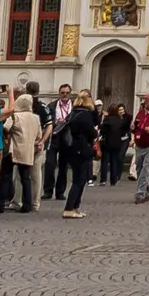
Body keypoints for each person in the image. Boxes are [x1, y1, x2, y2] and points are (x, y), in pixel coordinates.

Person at [58, 90, 100, 218]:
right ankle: (69, 208)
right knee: (79, 179)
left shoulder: (73, 113)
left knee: (80, 178)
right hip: (81, 149)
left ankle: (75, 207)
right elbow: (92, 131)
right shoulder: (85, 115)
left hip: (71, 149)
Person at [6, 93, 43, 213]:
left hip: (14, 149)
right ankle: (27, 204)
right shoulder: (36, 118)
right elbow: (39, 136)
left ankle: (1, 202)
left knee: (6, 175)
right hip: (29, 150)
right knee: (26, 178)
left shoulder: (15, 116)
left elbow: (6, 128)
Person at [99, 101, 131, 186]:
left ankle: (103, 180)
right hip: (117, 143)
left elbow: (102, 131)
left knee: (105, 162)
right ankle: (113, 180)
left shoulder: (107, 120)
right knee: (114, 161)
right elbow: (123, 132)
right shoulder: (120, 120)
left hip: (107, 143)